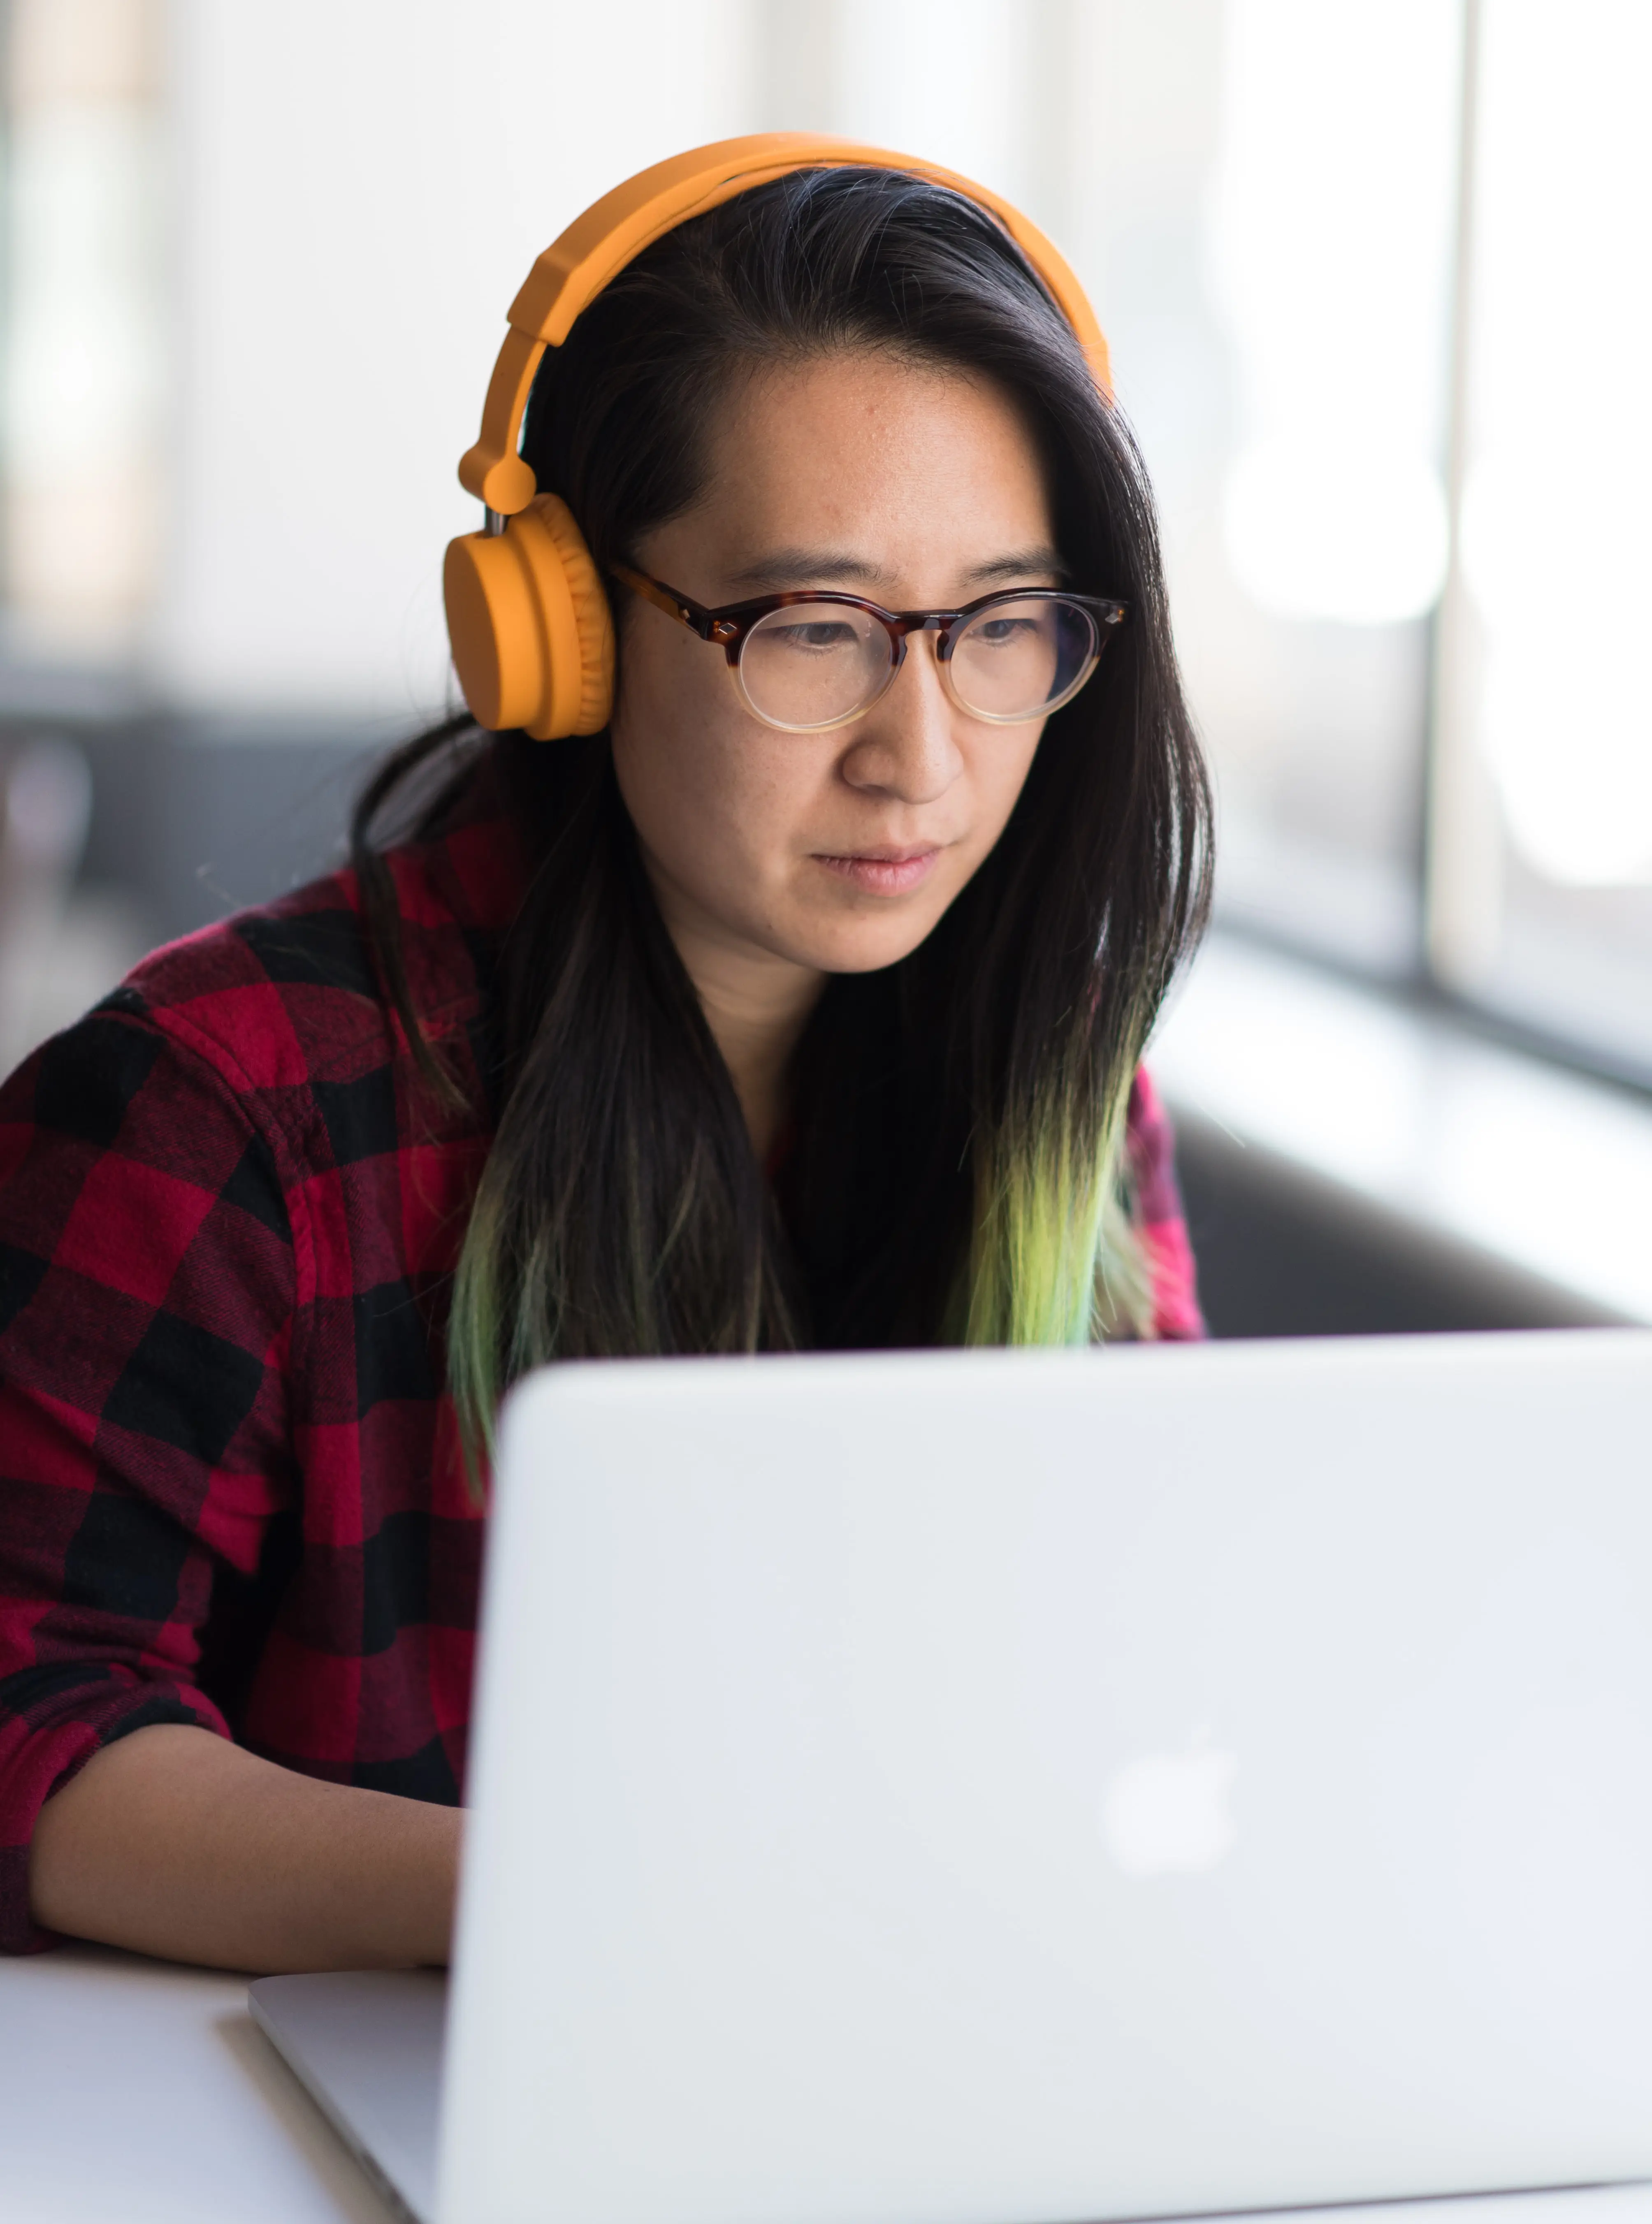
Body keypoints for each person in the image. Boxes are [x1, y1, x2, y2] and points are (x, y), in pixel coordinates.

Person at [0, 141, 1211, 1974]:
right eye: (810, 629)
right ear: (554, 633)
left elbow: (1150, 1646)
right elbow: (32, 1715)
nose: (921, 755)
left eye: (996, 628)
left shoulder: (1059, 1096)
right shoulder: (215, 1106)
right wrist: (588, 1908)